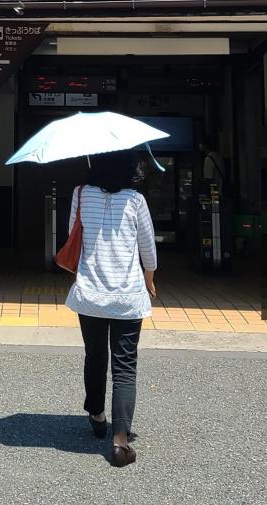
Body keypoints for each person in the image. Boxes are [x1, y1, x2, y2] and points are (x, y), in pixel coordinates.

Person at [65, 151, 157, 468]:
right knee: (125, 366)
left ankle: (97, 414)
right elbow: (147, 246)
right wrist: (150, 276)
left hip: (90, 294)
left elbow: (71, 238)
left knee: (95, 355)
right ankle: (120, 443)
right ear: (130, 169)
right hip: (128, 296)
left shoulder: (80, 194)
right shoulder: (135, 200)